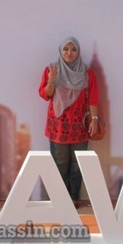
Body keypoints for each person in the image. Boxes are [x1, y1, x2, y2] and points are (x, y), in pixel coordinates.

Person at [39, 36, 100, 208]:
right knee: (60, 163)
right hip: (58, 126)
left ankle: (73, 198)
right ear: (60, 50)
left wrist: (94, 119)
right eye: (66, 49)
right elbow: (45, 95)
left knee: (77, 165)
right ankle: (60, 198)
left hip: (80, 125)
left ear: (78, 52)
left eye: (73, 49)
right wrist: (52, 79)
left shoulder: (87, 73)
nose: (69, 53)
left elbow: (93, 98)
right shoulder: (52, 69)